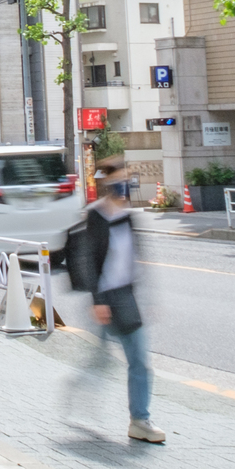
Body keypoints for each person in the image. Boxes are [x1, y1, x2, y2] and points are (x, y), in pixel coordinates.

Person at [66, 161, 164, 444]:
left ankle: (140, 420)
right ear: (107, 184)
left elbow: (137, 260)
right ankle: (78, 394)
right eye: (118, 181)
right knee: (100, 363)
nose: (124, 187)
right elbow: (88, 262)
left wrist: (148, 299)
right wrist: (97, 301)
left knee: (139, 361)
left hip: (126, 298)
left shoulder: (129, 217)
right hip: (105, 300)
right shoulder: (96, 216)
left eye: (127, 181)